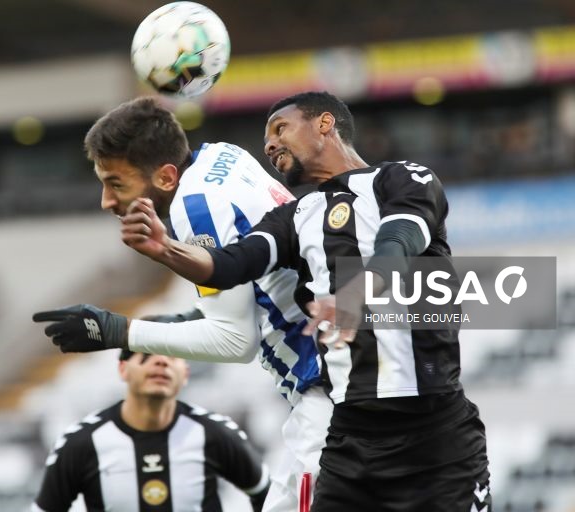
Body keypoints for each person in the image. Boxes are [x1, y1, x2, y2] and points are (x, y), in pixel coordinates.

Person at [119, 91, 492, 512]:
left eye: (280, 129)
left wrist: (355, 295)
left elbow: (398, 243)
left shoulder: (402, 178)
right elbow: (229, 264)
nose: (270, 144)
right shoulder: (295, 217)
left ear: (324, 124)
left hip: (437, 434)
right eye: (266, 138)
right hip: (351, 441)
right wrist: (165, 247)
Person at [32, 96, 330, 511]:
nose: (106, 201)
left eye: (116, 183)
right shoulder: (222, 156)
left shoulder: (195, 206)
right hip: (333, 382)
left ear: (167, 177)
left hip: (327, 392)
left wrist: (117, 331)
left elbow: (235, 342)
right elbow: (258, 283)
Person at [32, 348, 270, 511]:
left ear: (185, 373)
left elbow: (267, 496)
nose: (160, 361)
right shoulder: (82, 443)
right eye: (146, 354)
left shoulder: (215, 433)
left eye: (172, 356)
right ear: (123, 369)